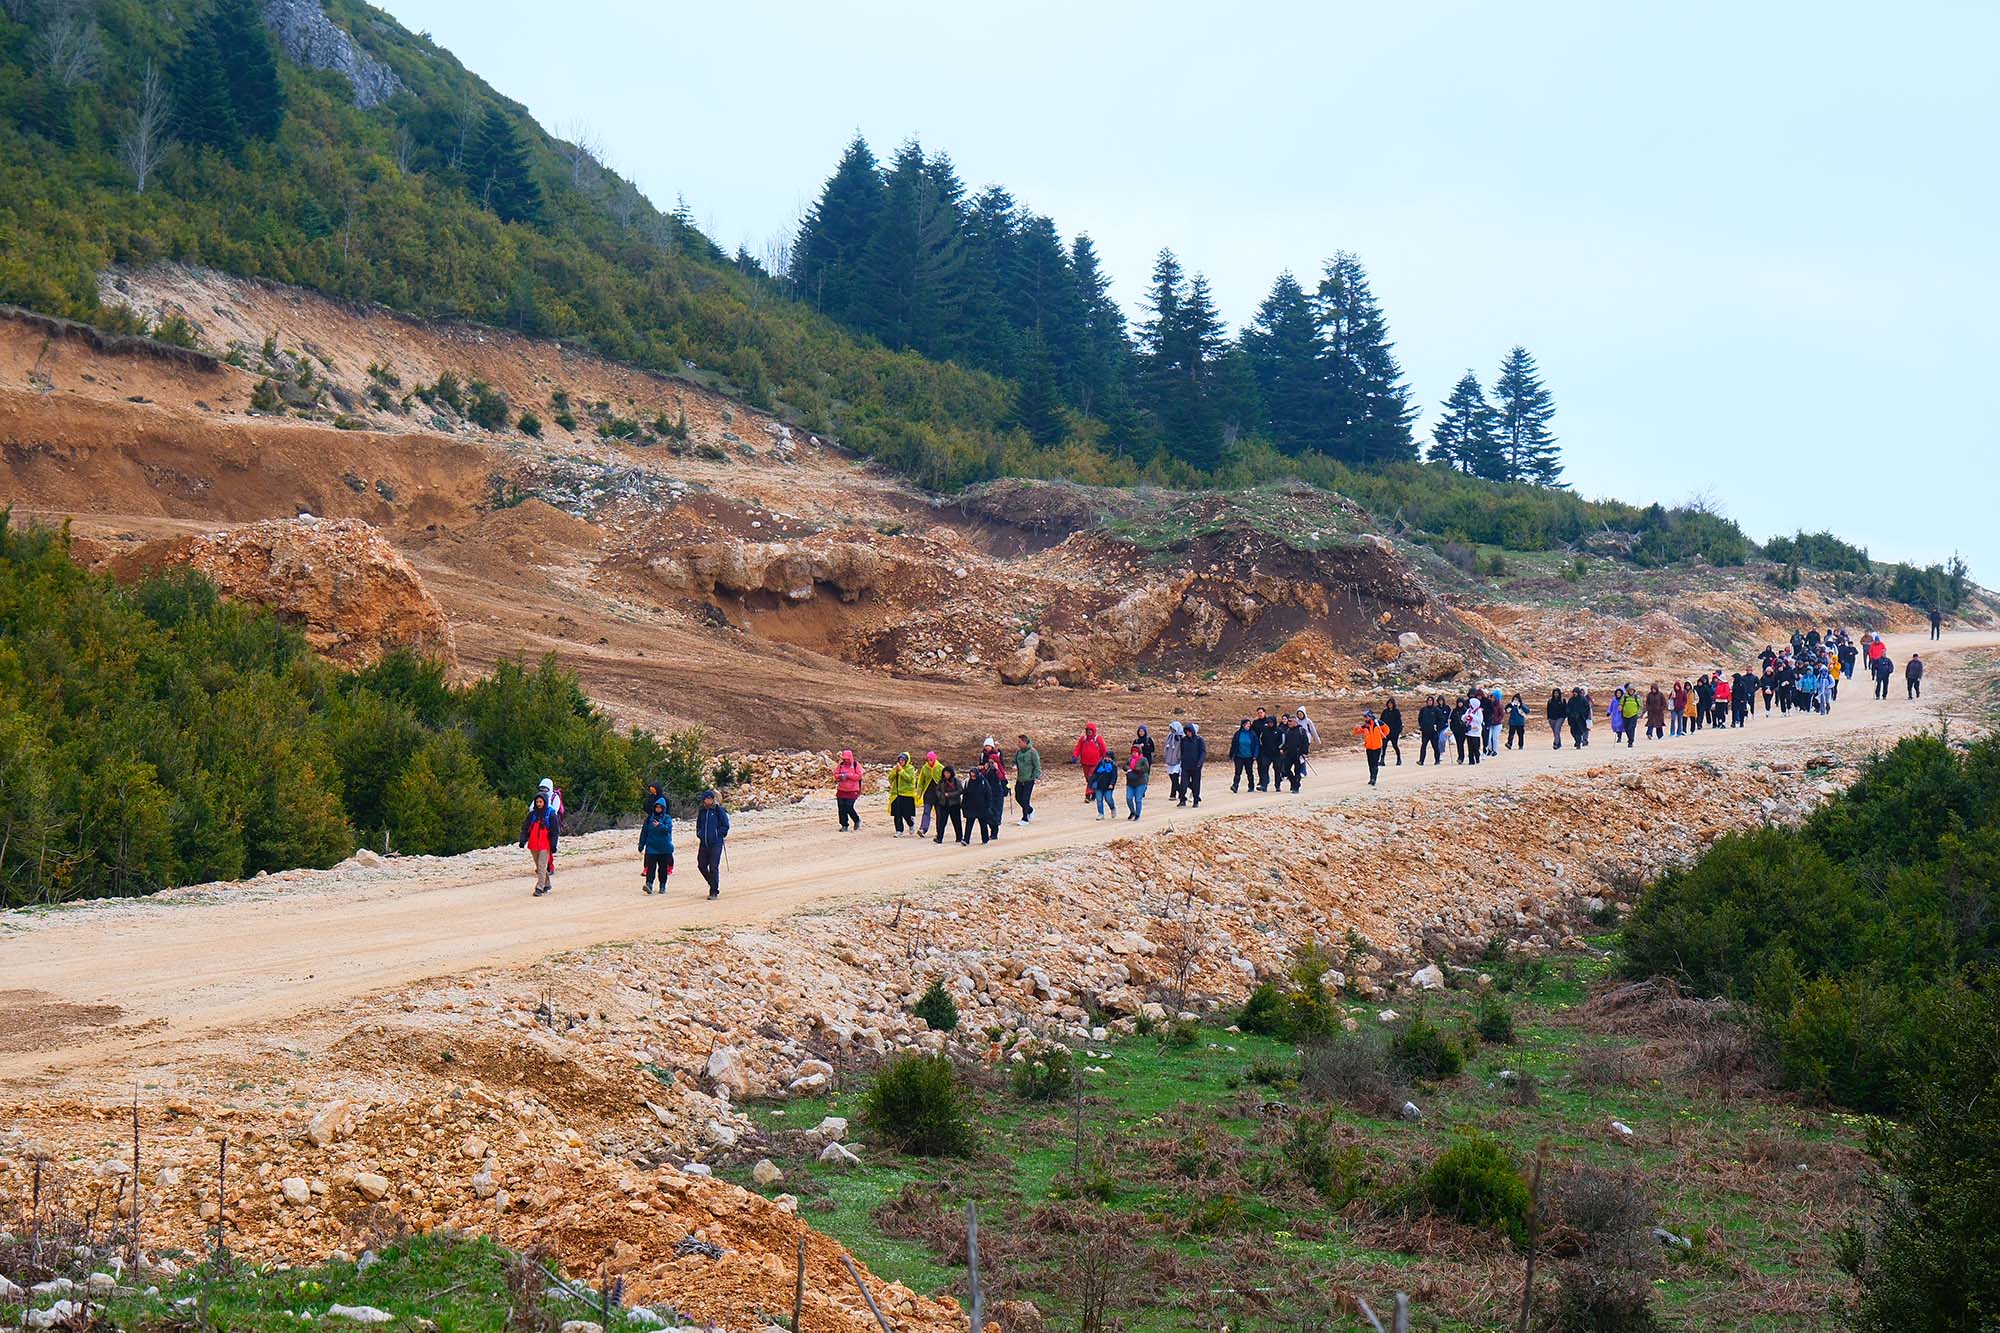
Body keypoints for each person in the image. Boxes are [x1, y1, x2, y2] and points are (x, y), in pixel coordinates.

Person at [519, 791, 559, 897]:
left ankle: (539, 888)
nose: (539, 804)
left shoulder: (551, 815)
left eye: (540, 802)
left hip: (545, 845)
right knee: (540, 866)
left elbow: (555, 832)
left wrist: (554, 845)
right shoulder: (532, 814)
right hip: (533, 845)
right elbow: (525, 827)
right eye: (537, 802)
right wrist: (523, 840)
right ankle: (547, 884)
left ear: (545, 802)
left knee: (541, 866)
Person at [694, 789, 728, 899]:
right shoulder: (702, 811)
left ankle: (713, 891)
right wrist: (699, 834)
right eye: (707, 798)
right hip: (704, 843)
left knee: (713, 867)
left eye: (710, 798)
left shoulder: (718, 810)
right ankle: (713, 884)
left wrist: (717, 834)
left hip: (716, 843)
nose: (709, 800)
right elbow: (698, 825)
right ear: (703, 800)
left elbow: (725, 825)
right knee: (701, 865)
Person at [638, 797, 674, 894]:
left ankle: (662, 885)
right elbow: (644, 832)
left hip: (664, 848)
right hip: (651, 847)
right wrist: (641, 844)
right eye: (657, 807)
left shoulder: (667, 818)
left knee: (663, 869)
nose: (658, 809)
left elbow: (668, 829)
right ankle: (649, 884)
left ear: (663, 808)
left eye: (660, 807)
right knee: (650, 868)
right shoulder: (649, 819)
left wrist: (660, 825)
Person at [1072, 724, 1109, 802]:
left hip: (1095, 763)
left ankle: (1087, 795)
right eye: (1088, 730)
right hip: (1085, 763)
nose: (1089, 732)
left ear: (1093, 731)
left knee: (1090, 778)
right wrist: (1075, 756)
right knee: (1088, 779)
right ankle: (1094, 791)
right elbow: (1078, 748)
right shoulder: (1083, 739)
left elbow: (1103, 749)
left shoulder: (1098, 739)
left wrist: (1106, 758)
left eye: (1090, 730)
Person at [932, 766, 967, 845]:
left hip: (954, 804)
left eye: (948, 773)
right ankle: (939, 838)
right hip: (944, 804)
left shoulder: (956, 781)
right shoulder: (942, 781)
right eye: (945, 773)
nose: (946, 774)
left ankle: (959, 837)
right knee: (942, 822)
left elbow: (960, 790)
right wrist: (941, 795)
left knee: (956, 821)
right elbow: (937, 790)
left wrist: (950, 795)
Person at [887, 753, 920, 837]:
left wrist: (901, 771)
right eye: (899, 760)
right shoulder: (896, 768)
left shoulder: (910, 768)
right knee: (897, 813)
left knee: (906, 813)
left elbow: (909, 779)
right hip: (896, 794)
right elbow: (890, 778)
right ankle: (899, 830)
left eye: (902, 760)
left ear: (906, 761)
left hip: (907, 794)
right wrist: (895, 771)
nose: (901, 762)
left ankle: (911, 823)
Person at [1354, 710, 1389, 786]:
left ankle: (1373, 778)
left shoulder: (1379, 723)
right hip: (1369, 747)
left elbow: (1387, 730)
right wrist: (1356, 728)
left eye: (1366, 717)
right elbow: (1357, 733)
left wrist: (1380, 737)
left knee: (1375, 764)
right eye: (1364, 717)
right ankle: (1371, 777)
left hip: (1377, 747)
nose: (1365, 718)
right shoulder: (1365, 726)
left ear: (1370, 716)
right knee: (1370, 764)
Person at [1013, 735, 1041, 825]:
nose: (1018, 744)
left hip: (1029, 779)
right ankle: (1029, 810)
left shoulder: (1033, 752)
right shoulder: (1018, 752)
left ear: (1025, 742)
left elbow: (1037, 765)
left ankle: (1025, 818)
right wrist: (1014, 765)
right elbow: (1014, 761)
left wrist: (1036, 776)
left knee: (1025, 799)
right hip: (1020, 778)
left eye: (1020, 742)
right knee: (1018, 797)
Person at [833, 750, 863, 831]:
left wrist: (848, 776)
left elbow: (859, 776)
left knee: (849, 806)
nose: (846, 760)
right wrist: (840, 776)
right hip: (841, 790)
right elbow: (835, 774)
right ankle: (844, 825)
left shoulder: (856, 765)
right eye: (844, 759)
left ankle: (856, 820)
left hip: (853, 790)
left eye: (847, 759)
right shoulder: (841, 765)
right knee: (841, 807)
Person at [915, 751, 942, 836]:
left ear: (934, 759)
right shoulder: (924, 768)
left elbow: (945, 781)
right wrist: (919, 793)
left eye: (931, 760)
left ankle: (939, 832)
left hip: (938, 795)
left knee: (939, 813)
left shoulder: (940, 767)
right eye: (928, 760)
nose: (929, 762)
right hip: (928, 793)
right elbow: (921, 781)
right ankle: (923, 829)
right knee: (926, 811)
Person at [1256, 712, 1285, 791]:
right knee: (1264, 768)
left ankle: (1277, 785)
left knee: (1277, 769)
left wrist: (1279, 748)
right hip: (1266, 753)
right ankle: (1264, 785)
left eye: (1271, 722)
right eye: (1269, 722)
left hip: (1276, 754)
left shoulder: (1279, 731)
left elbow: (1283, 741)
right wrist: (1263, 748)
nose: (1270, 724)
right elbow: (1260, 739)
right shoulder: (1264, 730)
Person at [1280, 714, 1309, 792]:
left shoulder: (1301, 730)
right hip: (1289, 754)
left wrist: (1304, 752)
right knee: (1286, 769)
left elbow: (1305, 742)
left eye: (1290, 721)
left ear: (1295, 722)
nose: (1288, 723)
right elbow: (1286, 742)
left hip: (1298, 754)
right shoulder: (1288, 731)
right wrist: (1282, 749)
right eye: (1288, 721)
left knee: (1297, 771)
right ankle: (1293, 782)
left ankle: (1296, 787)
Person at [1180, 722, 1206, 806]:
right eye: (1186, 731)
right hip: (1185, 766)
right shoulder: (1183, 740)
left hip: (1196, 766)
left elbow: (1203, 752)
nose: (1188, 733)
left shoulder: (1199, 740)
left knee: (1196, 784)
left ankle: (1196, 801)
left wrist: (1200, 762)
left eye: (1189, 731)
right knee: (1183, 784)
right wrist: (1182, 760)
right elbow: (1182, 751)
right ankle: (1182, 800)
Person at [1230, 719, 1257, 793]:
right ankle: (1235, 786)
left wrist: (1255, 755)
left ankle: (1251, 786)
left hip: (1249, 756)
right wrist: (1232, 754)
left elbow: (1256, 745)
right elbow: (1233, 744)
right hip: (1239, 756)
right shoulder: (1238, 734)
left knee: (1249, 772)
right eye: (1247, 724)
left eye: (1249, 724)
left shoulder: (1252, 734)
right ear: (1243, 725)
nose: (1248, 725)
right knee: (1238, 772)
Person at [1125, 744, 1151, 819]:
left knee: (1138, 799)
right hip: (1130, 782)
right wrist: (1128, 768)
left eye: (1136, 752)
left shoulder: (1143, 759)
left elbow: (1146, 768)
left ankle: (1137, 814)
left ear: (1139, 752)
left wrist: (1135, 769)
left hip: (1140, 782)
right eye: (1133, 752)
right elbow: (1125, 766)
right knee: (1129, 798)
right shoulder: (1130, 759)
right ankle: (1132, 811)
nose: (1134, 753)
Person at [1091, 751, 1120, 819]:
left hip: (1108, 786)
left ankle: (1112, 808)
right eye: (1106, 757)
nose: (1107, 758)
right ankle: (1101, 813)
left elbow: (1114, 776)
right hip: (1099, 785)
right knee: (1099, 799)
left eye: (1109, 757)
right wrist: (1093, 781)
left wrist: (1112, 784)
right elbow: (1095, 773)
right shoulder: (1100, 763)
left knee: (1108, 798)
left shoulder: (1113, 766)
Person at [1163, 721, 1185, 804]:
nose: (1172, 730)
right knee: (1171, 776)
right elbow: (1166, 747)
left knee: (1175, 777)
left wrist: (1179, 757)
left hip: (1177, 760)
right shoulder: (1170, 736)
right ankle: (1181, 793)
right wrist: (1165, 755)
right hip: (1170, 760)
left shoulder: (1181, 737)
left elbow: (1181, 749)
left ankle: (1173, 794)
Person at [1381, 698, 1404, 765]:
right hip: (1386, 733)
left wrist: (1398, 731)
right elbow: (1381, 721)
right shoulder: (1385, 712)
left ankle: (1399, 759)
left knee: (1395, 746)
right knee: (1384, 746)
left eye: (1391, 704)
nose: (1390, 705)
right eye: (1389, 703)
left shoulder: (1396, 712)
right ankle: (1382, 760)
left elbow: (1399, 722)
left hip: (1394, 733)